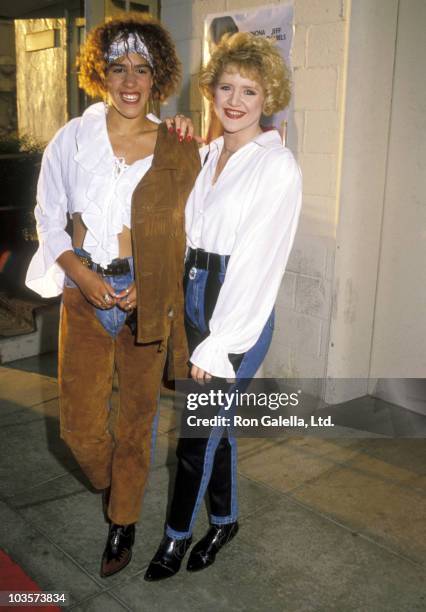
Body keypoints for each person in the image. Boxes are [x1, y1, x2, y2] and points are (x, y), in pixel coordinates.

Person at [25, 14, 200, 578]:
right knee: (78, 428)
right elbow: (48, 218)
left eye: (143, 69)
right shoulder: (71, 140)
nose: (130, 80)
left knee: (136, 424)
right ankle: (114, 486)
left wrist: (152, 286)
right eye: (119, 67)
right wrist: (81, 274)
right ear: (100, 72)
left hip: (144, 301)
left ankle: (122, 522)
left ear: (158, 76)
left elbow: (190, 227)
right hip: (83, 293)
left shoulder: (175, 145)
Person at [145, 32, 302, 581]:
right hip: (195, 297)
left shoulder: (275, 166)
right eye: (227, 87)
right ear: (211, 90)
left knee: (195, 432)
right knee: (218, 426)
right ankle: (227, 519)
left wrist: (218, 343)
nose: (235, 101)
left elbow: (258, 265)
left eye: (250, 92)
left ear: (268, 99)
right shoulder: (208, 153)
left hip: (238, 310)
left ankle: (174, 538)